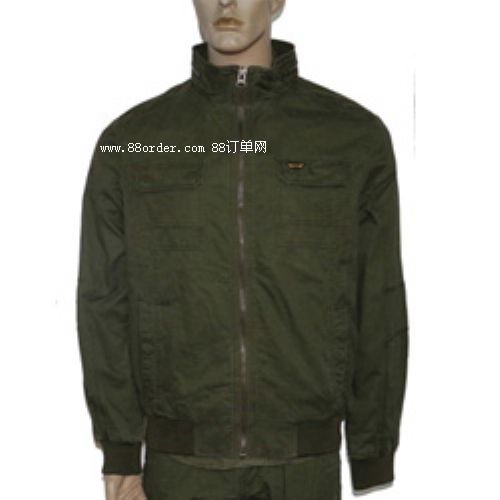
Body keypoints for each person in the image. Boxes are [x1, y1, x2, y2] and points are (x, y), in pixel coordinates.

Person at [76, 0, 409, 499]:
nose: (226, 2)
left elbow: (378, 296)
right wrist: (121, 454)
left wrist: (372, 448)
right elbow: (104, 302)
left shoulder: (351, 138)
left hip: (304, 467)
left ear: (276, 2)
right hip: (180, 467)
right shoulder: (136, 142)